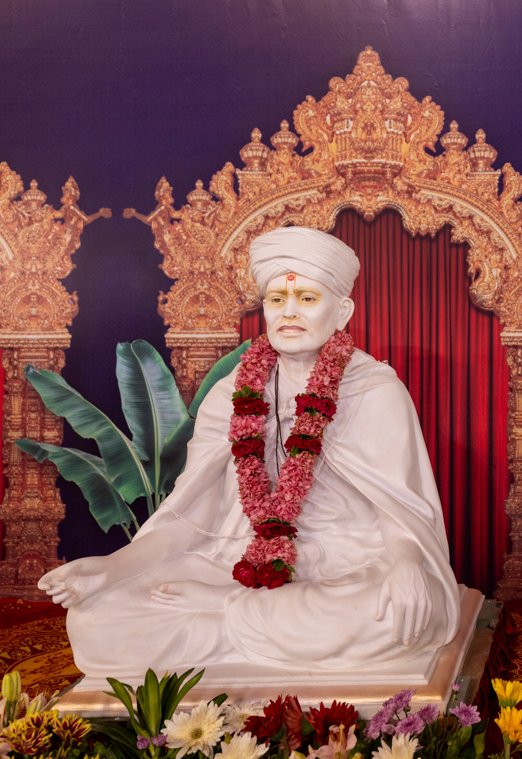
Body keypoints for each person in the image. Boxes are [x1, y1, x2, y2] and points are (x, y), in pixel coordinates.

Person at [39, 227, 460, 680]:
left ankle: (230, 616)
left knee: (397, 612)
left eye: (307, 300)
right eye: (277, 301)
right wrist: (113, 568)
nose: (290, 313)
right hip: (238, 559)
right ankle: (260, 622)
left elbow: (401, 511)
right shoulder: (231, 393)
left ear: (342, 311)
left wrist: (409, 562)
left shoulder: (376, 390)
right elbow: (188, 518)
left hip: (349, 564)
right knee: (96, 619)